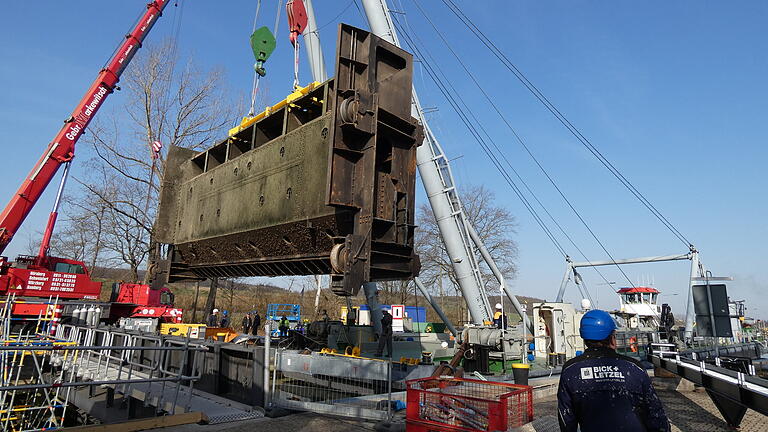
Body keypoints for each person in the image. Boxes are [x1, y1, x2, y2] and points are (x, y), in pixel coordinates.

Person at [557, 309, 670, 432]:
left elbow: (566, 419)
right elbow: (656, 415)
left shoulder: (570, 370)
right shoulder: (634, 368)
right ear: (612, 338)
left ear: (584, 338)